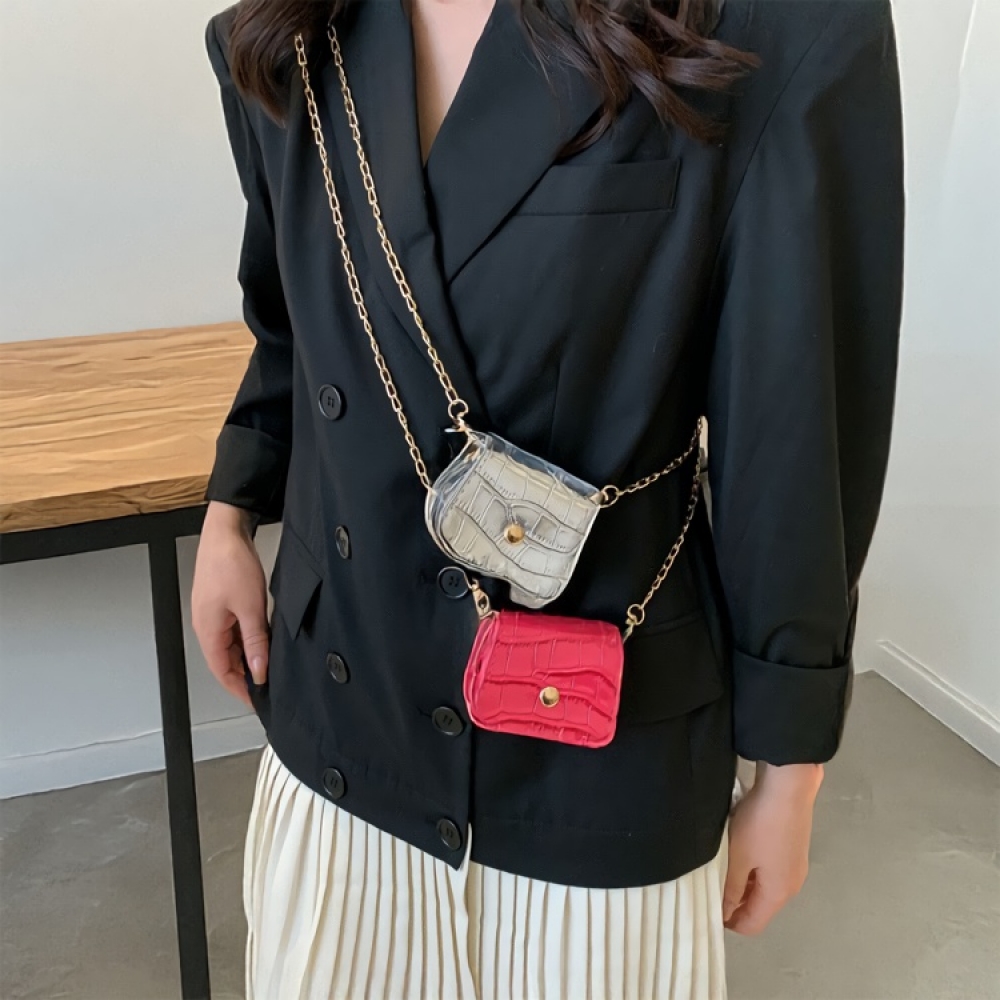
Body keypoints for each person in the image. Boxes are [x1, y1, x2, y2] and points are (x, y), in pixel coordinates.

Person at [192, 0, 904, 997]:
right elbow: (292, 328)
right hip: (340, 720)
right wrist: (231, 512)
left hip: (591, 750)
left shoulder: (773, 23)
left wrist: (789, 766)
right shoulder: (285, 34)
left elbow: (797, 418)